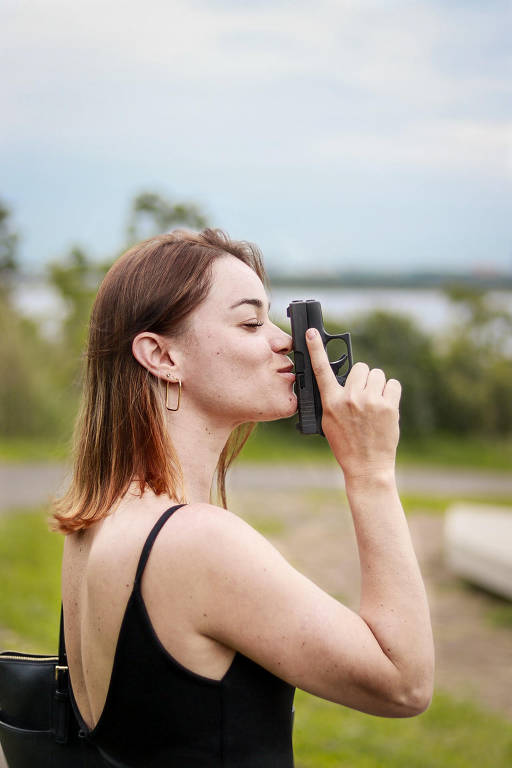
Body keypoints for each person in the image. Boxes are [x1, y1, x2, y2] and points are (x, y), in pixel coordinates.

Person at [53, 228, 434, 768]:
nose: (282, 341)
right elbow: (404, 683)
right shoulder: (197, 541)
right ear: (161, 356)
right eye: (251, 322)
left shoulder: (98, 521)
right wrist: (370, 472)